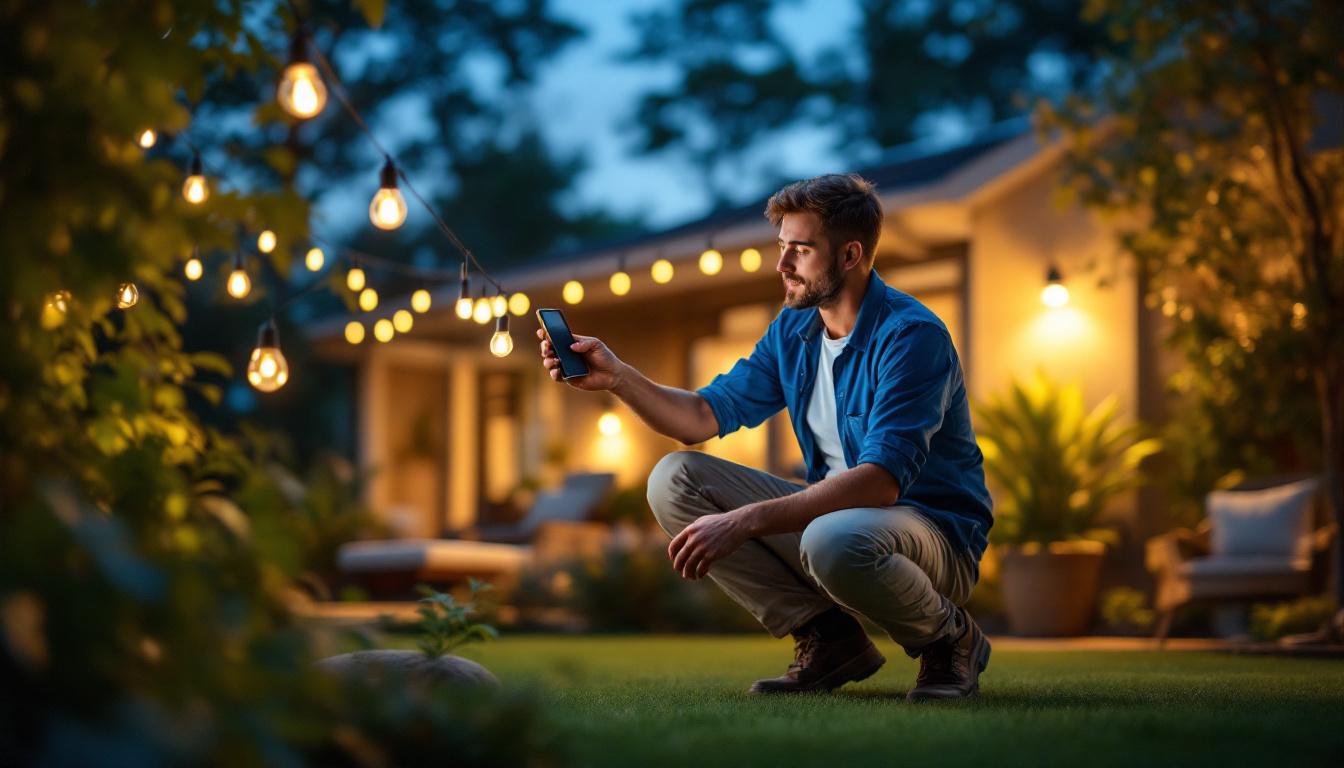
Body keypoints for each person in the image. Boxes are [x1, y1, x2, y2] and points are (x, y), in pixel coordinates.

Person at [536, 173, 993, 701]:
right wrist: (618, 378)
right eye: (782, 247)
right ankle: (828, 639)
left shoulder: (911, 337)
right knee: (674, 479)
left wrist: (745, 520)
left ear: (849, 255)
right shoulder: (794, 330)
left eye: (800, 250)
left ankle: (949, 640)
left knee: (831, 537)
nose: (783, 265)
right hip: (840, 528)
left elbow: (880, 484)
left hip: (933, 539)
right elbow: (703, 415)